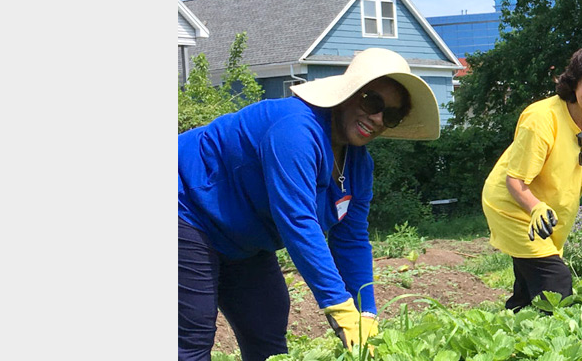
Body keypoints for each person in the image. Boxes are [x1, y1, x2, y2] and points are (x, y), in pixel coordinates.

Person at [177, 48, 441, 361]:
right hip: (186, 208)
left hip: (239, 237)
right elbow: (297, 220)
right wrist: (339, 307)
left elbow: (351, 239)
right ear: (348, 94)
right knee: (193, 335)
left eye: (392, 115)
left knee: (267, 323)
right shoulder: (295, 130)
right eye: (372, 102)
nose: (378, 118)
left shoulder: (359, 165)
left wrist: (365, 313)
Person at [481, 44, 582, 311]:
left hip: (549, 212)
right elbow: (515, 181)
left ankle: (512, 329)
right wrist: (535, 208)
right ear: (574, 83)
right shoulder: (542, 118)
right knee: (555, 281)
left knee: (529, 285)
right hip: (513, 205)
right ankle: (560, 340)